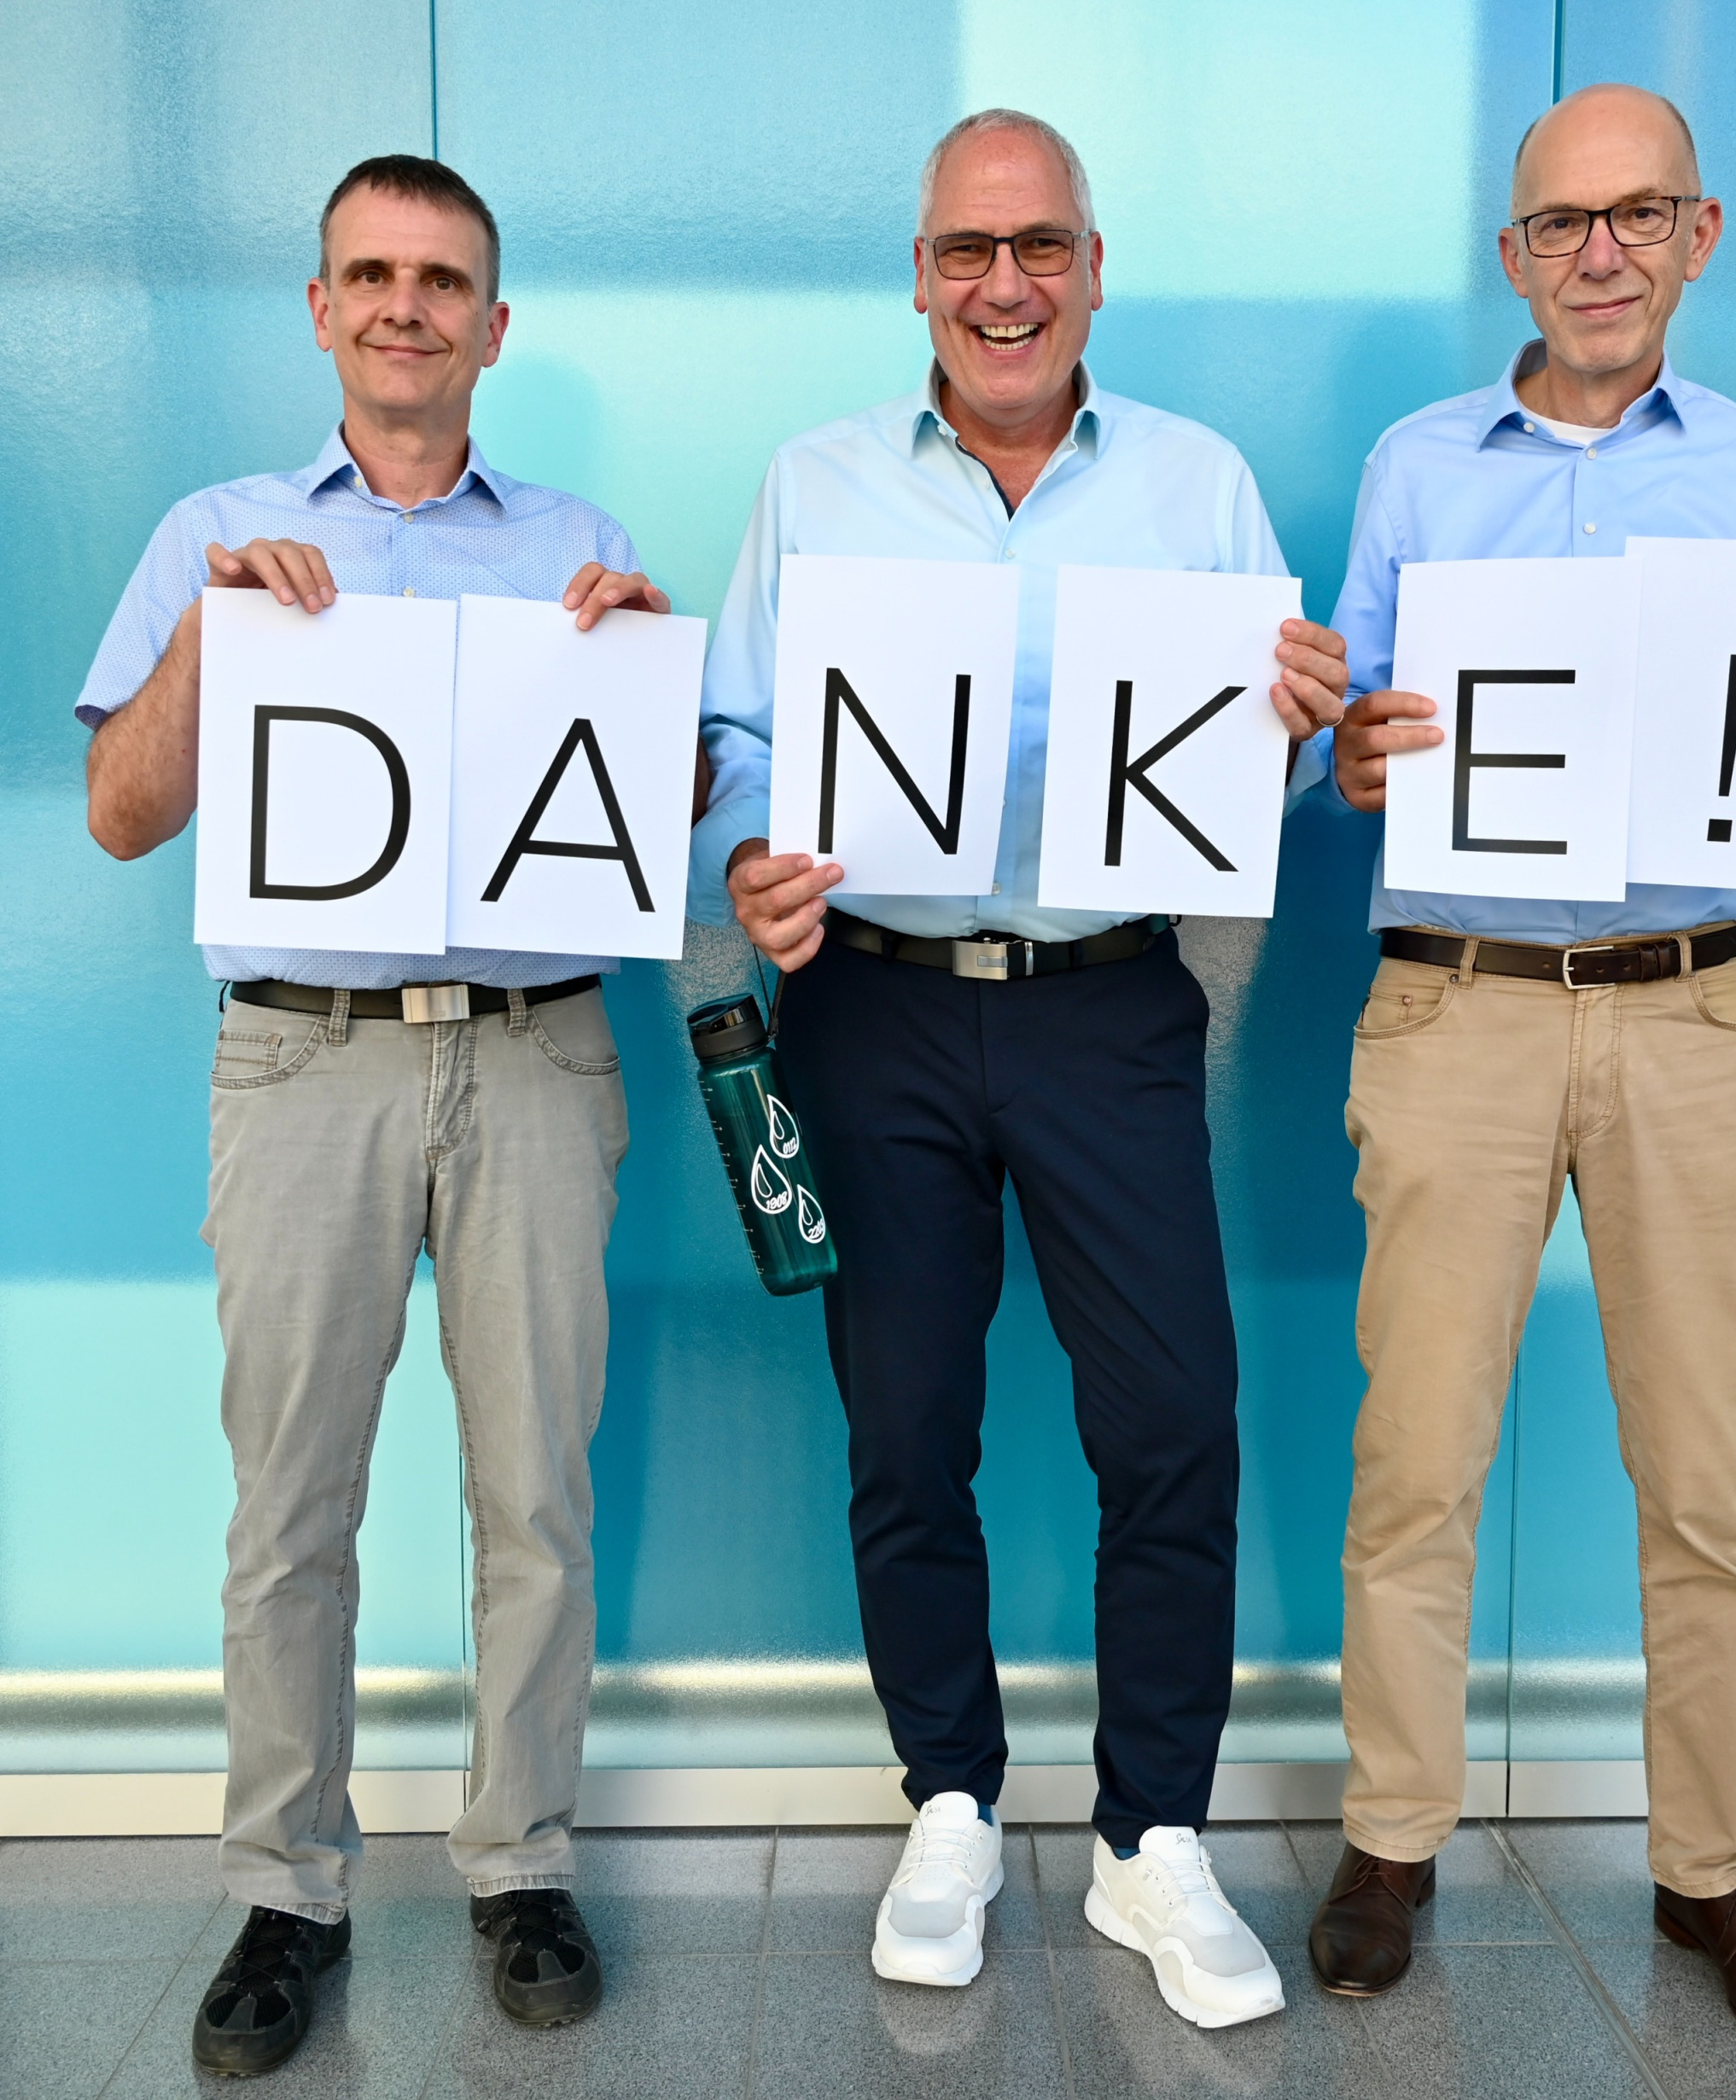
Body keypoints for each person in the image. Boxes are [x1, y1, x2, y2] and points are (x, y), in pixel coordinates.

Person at [691, 108, 1349, 2027]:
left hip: (1107, 1001)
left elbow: (1278, 749)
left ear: (1092, 269)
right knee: (906, 1431)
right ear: (920, 276)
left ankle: (1154, 1838)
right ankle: (952, 1804)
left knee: (1175, 1423)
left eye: (1041, 245)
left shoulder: (1200, 482)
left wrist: (1307, 723)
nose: (1006, 284)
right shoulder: (813, 483)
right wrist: (748, 849)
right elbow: (736, 735)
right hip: (873, 1006)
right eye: (970, 251)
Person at [1299, 85, 1736, 2062]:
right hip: (1458, 1005)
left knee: (1710, 1480)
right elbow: (1345, 739)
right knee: (1417, 1464)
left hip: (1687, 1009)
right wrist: (1352, 751)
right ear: (1515, 256)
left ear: (1699, 234)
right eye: (1564, 223)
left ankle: (1713, 1869)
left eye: (1638, 215)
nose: (1601, 253)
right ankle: (1392, 1837)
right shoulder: (1413, 468)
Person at [79, 155, 690, 2077]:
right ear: (323, 309)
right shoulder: (216, 532)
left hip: (535, 1053)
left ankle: (524, 1860)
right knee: (290, 1506)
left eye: (442, 280)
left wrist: (651, 675)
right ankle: (287, 1890)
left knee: (536, 1494)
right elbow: (121, 814)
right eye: (373, 274)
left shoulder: (579, 543)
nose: (406, 306)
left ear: (494, 326)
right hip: (302, 1056)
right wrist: (212, 635)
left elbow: (662, 819)